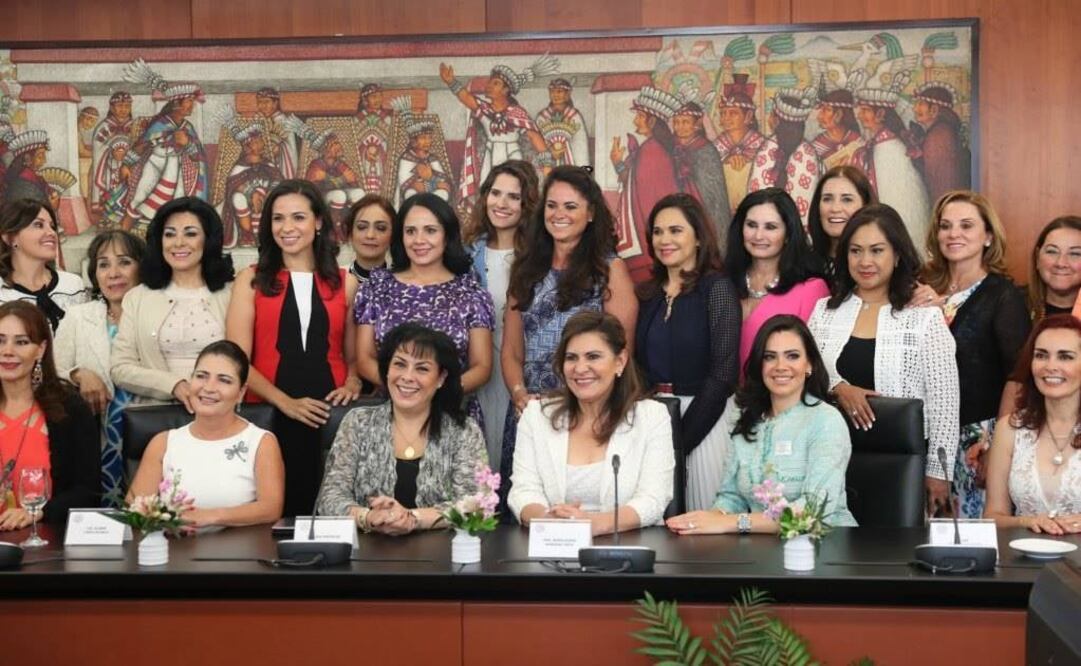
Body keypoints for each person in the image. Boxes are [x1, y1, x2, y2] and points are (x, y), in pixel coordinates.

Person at [501, 166, 637, 513]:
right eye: (552, 205)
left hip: (586, 412)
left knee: (579, 508)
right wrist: (519, 395)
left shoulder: (609, 270)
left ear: (591, 213)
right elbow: (512, 349)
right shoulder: (527, 267)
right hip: (529, 413)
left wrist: (586, 403)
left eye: (571, 207)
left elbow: (620, 352)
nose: (559, 214)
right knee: (528, 509)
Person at [807, 203, 959, 513]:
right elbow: (805, 373)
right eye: (855, 251)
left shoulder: (923, 318)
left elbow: (945, 402)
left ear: (897, 254)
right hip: (827, 459)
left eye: (877, 250)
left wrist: (937, 474)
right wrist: (839, 387)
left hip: (900, 467)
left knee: (893, 555)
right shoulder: (824, 312)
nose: (865, 261)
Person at [227, 180, 360, 517]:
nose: (287, 228)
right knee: (274, 509)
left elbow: (354, 355)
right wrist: (285, 403)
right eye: (277, 218)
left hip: (330, 415)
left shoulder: (346, 281)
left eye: (298, 217)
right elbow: (236, 360)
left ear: (318, 223)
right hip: (268, 412)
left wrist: (353, 382)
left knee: (330, 506)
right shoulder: (251, 279)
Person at [666, 315, 857, 535]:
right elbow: (732, 497)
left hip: (824, 549)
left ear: (809, 365)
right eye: (770, 357)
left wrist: (736, 523)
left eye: (792, 356)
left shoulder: (826, 421)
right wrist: (708, 520)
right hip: (762, 551)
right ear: (760, 364)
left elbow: (813, 513)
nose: (780, 366)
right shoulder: (747, 417)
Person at [913, 191, 1030, 517]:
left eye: (966, 225)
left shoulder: (1002, 295)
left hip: (977, 440)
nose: (954, 234)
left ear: (988, 235)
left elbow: (1017, 377)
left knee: (969, 541)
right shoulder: (919, 288)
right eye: (946, 226)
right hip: (923, 433)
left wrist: (996, 445)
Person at [509, 311, 673, 533]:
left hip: (626, 549)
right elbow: (523, 491)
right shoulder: (536, 416)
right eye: (571, 358)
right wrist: (548, 519)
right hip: (554, 546)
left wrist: (591, 524)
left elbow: (653, 499)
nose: (580, 368)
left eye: (593, 356)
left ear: (620, 361)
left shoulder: (653, 417)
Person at [317, 323, 487, 535]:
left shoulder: (464, 431)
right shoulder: (357, 423)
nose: (407, 377)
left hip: (440, 560)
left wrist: (412, 518)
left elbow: (475, 504)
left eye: (422, 368)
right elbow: (330, 498)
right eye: (399, 364)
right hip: (364, 557)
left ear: (441, 378)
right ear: (387, 370)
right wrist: (369, 517)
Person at [635, 193, 740, 510]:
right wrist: (657, 431)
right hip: (655, 419)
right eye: (657, 231)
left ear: (698, 238)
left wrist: (680, 439)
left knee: (702, 527)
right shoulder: (649, 295)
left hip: (706, 419)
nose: (664, 239)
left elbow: (723, 375)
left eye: (675, 230)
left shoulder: (716, 288)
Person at [354, 192, 495, 424]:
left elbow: (482, 366)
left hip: (451, 414)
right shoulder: (377, 288)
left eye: (430, 230)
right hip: (388, 414)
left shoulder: (471, 292)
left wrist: (435, 392)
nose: (419, 240)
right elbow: (364, 358)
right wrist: (406, 391)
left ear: (447, 236)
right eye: (410, 231)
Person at [127, 340, 284, 529]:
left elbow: (271, 508)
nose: (209, 388)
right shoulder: (163, 443)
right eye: (201, 376)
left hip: (241, 554)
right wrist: (166, 521)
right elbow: (135, 509)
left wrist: (208, 516)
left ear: (241, 392)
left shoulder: (261, 442)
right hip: (174, 551)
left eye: (224, 380)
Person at [111, 197, 234, 408]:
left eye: (190, 233)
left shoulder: (232, 294)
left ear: (208, 240)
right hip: (157, 417)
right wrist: (173, 385)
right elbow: (120, 367)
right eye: (169, 234)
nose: (178, 243)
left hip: (221, 414)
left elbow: (247, 362)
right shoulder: (138, 297)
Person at [53, 230, 146, 507]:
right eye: (103, 264)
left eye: (124, 262)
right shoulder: (78, 316)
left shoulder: (156, 314)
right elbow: (52, 368)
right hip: (93, 442)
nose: (113, 273)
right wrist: (79, 373)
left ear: (143, 266)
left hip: (148, 442)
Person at [465, 160, 540, 464]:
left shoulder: (537, 257)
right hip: (476, 371)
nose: (502, 203)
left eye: (513, 197)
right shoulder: (466, 253)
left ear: (527, 204)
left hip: (520, 372)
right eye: (496, 193)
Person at [0, 301, 98, 530]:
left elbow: (89, 493)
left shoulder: (69, 409)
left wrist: (39, 513)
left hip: (47, 544)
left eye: (21, 342)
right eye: (0, 340)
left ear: (41, 349)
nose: (7, 351)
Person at [984, 315, 1081, 534]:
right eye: (1041, 356)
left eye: (1065, 357)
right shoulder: (1010, 428)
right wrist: (1025, 522)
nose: (1051, 366)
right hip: (1024, 560)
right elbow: (992, 516)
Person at [725, 188, 828, 370]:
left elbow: (816, 363)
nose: (758, 236)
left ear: (788, 234)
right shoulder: (723, 283)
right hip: (722, 396)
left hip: (781, 395)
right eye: (751, 225)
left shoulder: (812, 290)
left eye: (770, 227)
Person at [439, 56, 555, 205]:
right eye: (490, 82)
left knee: (516, 193)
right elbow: (467, 98)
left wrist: (547, 168)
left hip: (512, 156)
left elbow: (535, 139)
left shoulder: (517, 113)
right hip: (490, 155)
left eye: (495, 83)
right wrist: (450, 81)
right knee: (486, 193)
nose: (489, 86)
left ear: (506, 90)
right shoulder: (484, 109)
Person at [610, 86, 681, 283]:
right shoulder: (649, 148)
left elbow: (648, 199)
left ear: (652, 120)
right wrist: (617, 163)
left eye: (640, 116)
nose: (635, 121)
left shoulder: (652, 151)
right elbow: (635, 187)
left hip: (648, 234)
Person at [852, 88, 930, 245]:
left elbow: (893, 199)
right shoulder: (879, 143)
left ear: (880, 114)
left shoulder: (890, 147)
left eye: (866, 111)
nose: (860, 116)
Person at [0, 199, 88, 331]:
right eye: (38, 225)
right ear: (10, 238)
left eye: (52, 226)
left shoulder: (73, 285)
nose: (52, 232)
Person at [670, 101, 732, 250]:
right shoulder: (672, 149)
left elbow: (712, 191)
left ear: (697, 124)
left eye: (685, 122)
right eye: (677, 122)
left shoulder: (706, 150)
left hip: (707, 210)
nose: (680, 127)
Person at [806, 165, 877, 274]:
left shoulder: (880, 265)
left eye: (847, 200)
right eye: (827, 199)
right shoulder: (802, 266)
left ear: (865, 206)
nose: (835, 208)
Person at [909, 82, 970, 205]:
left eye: (921, 104)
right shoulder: (941, 131)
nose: (915, 109)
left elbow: (941, 182)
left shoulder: (939, 136)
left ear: (934, 110)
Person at [1027, 216, 1081, 320]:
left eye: (1075, 253)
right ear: (1037, 258)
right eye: (1052, 252)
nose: (1061, 263)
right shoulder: (1012, 303)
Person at [536, 78, 589, 167]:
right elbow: (537, 143)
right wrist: (550, 152)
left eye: (559, 91)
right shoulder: (542, 117)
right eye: (552, 91)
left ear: (567, 94)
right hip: (549, 164)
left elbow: (581, 145)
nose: (555, 95)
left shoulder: (575, 116)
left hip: (571, 165)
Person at [343, 193, 394, 284]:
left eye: (381, 228)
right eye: (362, 227)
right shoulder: (333, 280)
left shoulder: (404, 285)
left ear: (392, 235)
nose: (370, 235)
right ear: (350, 233)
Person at [809, 88, 863, 170]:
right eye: (821, 110)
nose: (819, 116)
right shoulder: (816, 146)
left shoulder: (858, 141)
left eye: (827, 110)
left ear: (839, 114)